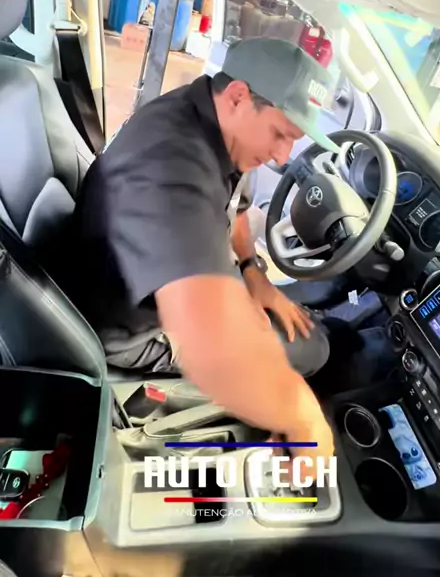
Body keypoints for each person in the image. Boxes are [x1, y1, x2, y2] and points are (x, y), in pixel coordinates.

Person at [59, 38, 340, 464]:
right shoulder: (172, 167)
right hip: (135, 330)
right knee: (314, 349)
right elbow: (206, 341)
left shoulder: (212, 122)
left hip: (162, 288)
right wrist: (304, 417)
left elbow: (237, 207)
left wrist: (252, 272)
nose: (283, 155)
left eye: (293, 140)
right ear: (238, 96)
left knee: (300, 328)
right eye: (279, 134)